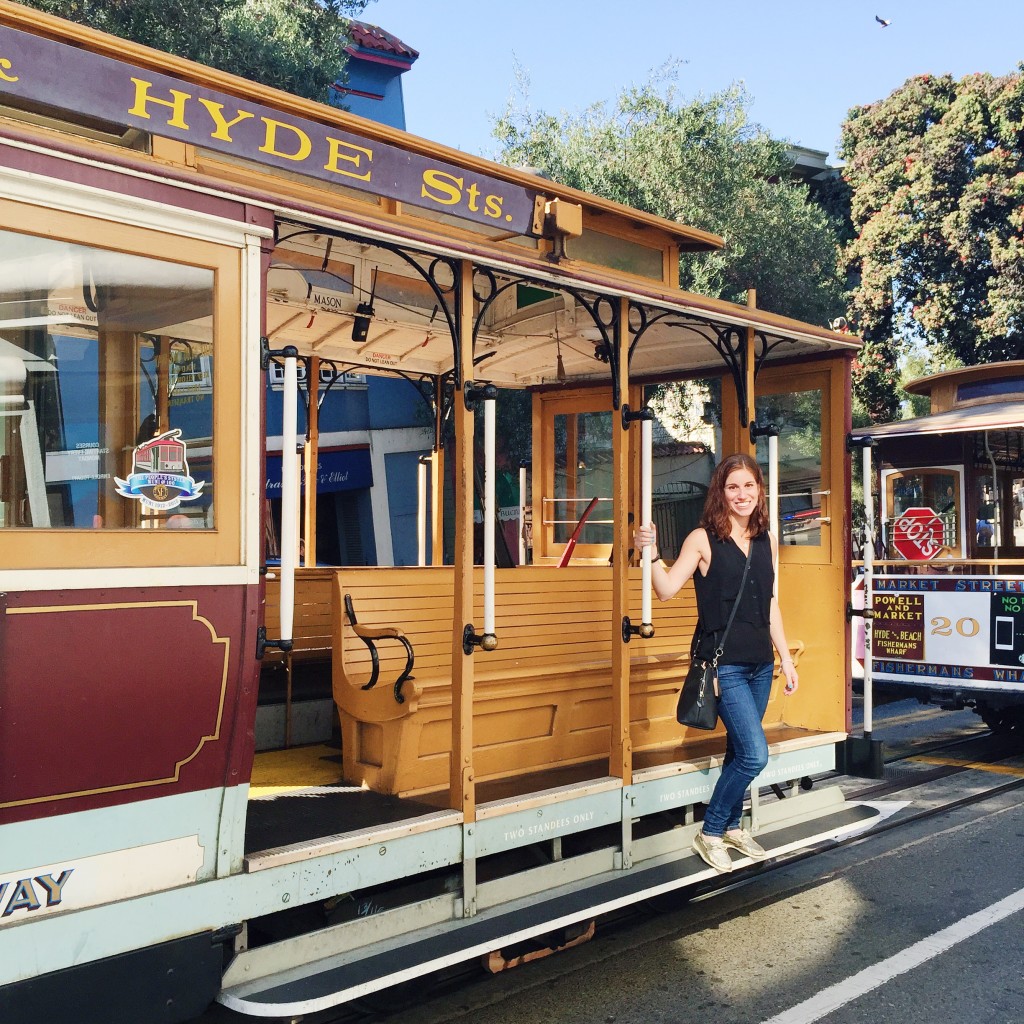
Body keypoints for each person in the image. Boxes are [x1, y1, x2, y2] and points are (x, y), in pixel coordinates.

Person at [634, 452, 798, 874]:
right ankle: (710, 832)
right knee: (755, 756)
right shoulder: (703, 539)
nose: (741, 495)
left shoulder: (766, 538)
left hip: (761, 664)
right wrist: (650, 555)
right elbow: (667, 589)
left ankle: (729, 826)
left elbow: (771, 603)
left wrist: (785, 658)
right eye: (732, 487)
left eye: (748, 486)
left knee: (739, 750)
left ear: (759, 490)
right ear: (720, 494)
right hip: (723, 665)